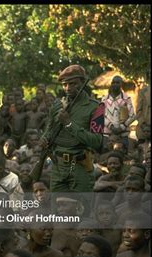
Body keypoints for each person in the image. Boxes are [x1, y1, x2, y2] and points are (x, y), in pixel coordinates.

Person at [40, 64, 104, 193]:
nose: (68, 88)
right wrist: (44, 139)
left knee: (82, 210)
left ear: (82, 82)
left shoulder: (96, 107)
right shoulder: (57, 105)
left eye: (73, 83)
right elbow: (48, 130)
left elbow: (97, 141)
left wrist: (69, 124)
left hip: (80, 166)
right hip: (58, 166)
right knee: (57, 210)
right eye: (65, 84)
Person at [102, 75, 135, 148]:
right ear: (111, 84)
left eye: (117, 82)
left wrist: (122, 127)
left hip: (123, 134)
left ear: (121, 84)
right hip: (107, 134)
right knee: (106, 154)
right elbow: (102, 116)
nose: (115, 84)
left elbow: (132, 115)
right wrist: (111, 127)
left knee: (123, 156)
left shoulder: (126, 99)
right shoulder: (104, 99)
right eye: (113, 82)